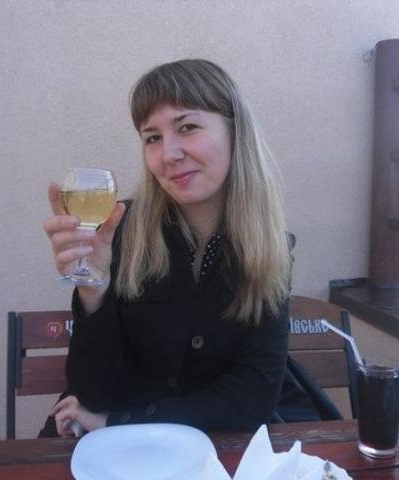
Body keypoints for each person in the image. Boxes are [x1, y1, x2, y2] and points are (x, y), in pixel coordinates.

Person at [40, 59, 333, 437]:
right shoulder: (118, 230)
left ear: (235, 131)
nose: (169, 154)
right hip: (114, 454)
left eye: (187, 127)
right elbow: (93, 394)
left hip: (201, 449)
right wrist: (93, 290)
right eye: (152, 138)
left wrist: (119, 422)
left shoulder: (268, 247)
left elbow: (252, 398)